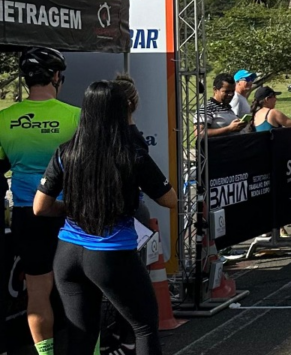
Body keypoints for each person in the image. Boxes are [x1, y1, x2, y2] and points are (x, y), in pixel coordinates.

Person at [33, 80, 176, 355]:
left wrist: (75, 207)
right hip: (111, 253)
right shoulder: (131, 154)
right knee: (144, 326)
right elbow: (168, 199)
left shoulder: (66, 151)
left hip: (68, 253)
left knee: (81, 335)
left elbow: (40, 207)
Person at [0, 47, 79, 355]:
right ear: (57, 76)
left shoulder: (3, 118)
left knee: (37, 292)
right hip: (70, 214)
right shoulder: (75, 116)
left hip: (26, 214)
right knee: (82, 290)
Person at [194, 73, 248, 137]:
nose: (231, 94)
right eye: (226, 91)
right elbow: (199, 133)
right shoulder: (206, 108)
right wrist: (229, 129)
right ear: (215, 90)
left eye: (233, 91)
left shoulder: (228, 108)